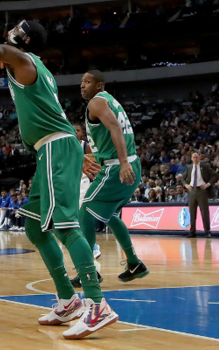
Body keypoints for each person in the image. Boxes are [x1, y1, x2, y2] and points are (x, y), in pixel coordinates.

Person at [0, 0, 116, 340]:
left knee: (65, 225)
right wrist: (73, 150)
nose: (8, 31)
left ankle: (98, 305)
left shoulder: (21, 58)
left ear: (21, 38)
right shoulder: (32, 63)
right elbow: (50, 111)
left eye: (14, 28)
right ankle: (68, 299)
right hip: (53, 147)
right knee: (35, 227)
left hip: (56, 147)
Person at [77, 70, 148, 286]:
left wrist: (123, 162)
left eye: (87, 82)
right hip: (129, 163)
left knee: (85, 212)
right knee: (112, 216)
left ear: (99, 86)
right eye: (81, 82)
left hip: (118, 166)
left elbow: (115, 127)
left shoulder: (96, 103)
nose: (82, 85)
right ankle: (134, 263)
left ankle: (88, 271)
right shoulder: (110, 101)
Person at [73, 123, 101, 260]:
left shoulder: (86, 146)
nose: (75, 132)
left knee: (82, 217)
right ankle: (84, 245)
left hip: (84, 182)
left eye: (78, 130)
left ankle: (93, 247)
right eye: (73, 130)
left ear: (82, 133)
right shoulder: (66, 145)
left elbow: (97, 160)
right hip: (70, 184)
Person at [182, 152, 219, 238]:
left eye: (196, 157)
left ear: (199, 158)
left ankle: (207, 231)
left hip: (202, 190)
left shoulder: (204, 166)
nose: (195, 159)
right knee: (192, 212)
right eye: (193, 157)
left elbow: (215, 175)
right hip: (191, 191)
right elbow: (183, 178)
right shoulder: (189, 167)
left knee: (204, 212)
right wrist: (186, 185)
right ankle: (192, 231)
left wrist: (208, 184)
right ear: (191, 158)